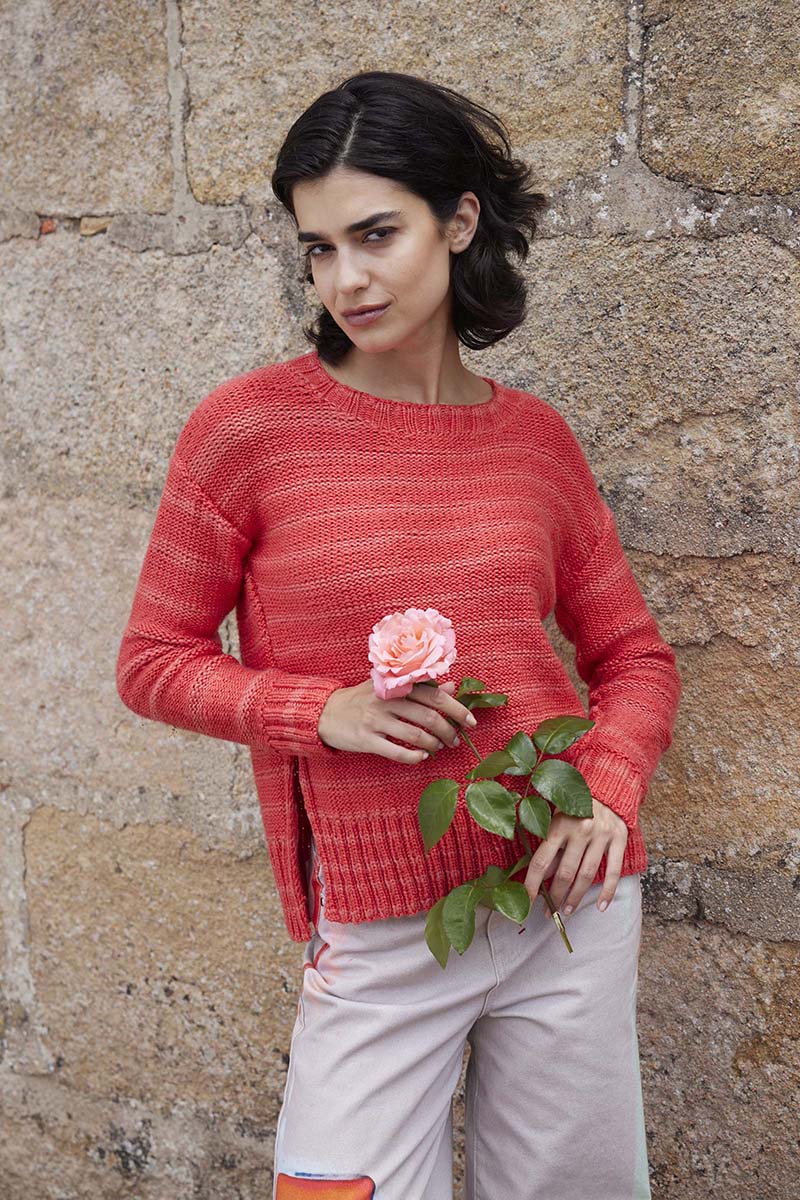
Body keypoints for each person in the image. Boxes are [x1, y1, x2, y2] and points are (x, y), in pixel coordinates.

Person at [116, 70, 681, 1200]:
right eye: (318, 248)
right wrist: (317, 710)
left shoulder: (535, 443)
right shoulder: (249, 431)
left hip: (563, 903)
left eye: (375, 235)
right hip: (379, 930)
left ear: (459, 220)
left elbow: (634, 657)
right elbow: (152, 662)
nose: (347, 279)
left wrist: (610, 788)